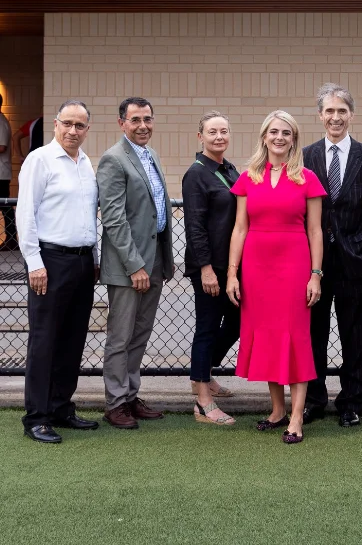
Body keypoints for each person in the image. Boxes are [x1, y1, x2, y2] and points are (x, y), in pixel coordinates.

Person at [226, 110, 325, 444]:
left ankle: (297, 416)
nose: (279, 138)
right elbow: (240, 228)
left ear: (293, 139)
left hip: (294, 268)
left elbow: (315, 231)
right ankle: (277, 410)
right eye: (274, 132)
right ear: (264, 136)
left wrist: (315, 275)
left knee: (294, 337)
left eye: (286, 133)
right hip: (256, 270)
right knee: (268, 336)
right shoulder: (248, 177)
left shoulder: (306, 178)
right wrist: (232, 274)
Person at [16, 100, 99, 443]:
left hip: (82, 262)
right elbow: (26, 215)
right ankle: (37, 416)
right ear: (55, 124)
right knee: (44, 340)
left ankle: (61, 408)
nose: (73, 131)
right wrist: (34, 262)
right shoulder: (40, 160)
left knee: (72, 338)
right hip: (50, 262)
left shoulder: (85, 163)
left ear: (87, 130)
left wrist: (93, 258)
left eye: (80, 126)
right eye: (67, 124)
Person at [302, 83, 362, 427]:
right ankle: (314, 399)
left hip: (356, 260)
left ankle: (352, 401)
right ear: (320, 115)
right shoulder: (303, 157)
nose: (335, 117)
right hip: (313, 263)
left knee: (356, 335)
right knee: (313, 333)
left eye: (342, 111)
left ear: (351, 115)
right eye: (329, 111)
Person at [97, 97, 174, 429]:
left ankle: (129, 396)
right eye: (135, 120)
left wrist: (156, 262)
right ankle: (115, 403)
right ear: (121, 123)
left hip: (154, 260)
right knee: (121, 336)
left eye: (148, 119)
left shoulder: (151, 155)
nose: (143, 125)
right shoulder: (114, 160)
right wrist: (135, 266)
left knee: (140, 334)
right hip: (131, 266)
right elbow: (114, 219)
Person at [182, 111, 241, 426]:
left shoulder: (229, 169)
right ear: (200, 136)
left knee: (236, 323)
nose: (219, 137)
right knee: (207, 327)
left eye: (224, 131)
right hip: (209, 266)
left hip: (231, 266)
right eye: (212, 132)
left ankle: (202, 374)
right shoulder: (196, 174)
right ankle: (203, 401)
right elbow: (195, 226)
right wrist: (206, 269)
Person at [0, 93, 17, 250]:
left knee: (5, 206)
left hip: (1, 173)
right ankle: (10, 239)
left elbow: (2, 146)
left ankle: (12, 239)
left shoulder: (1, 122)